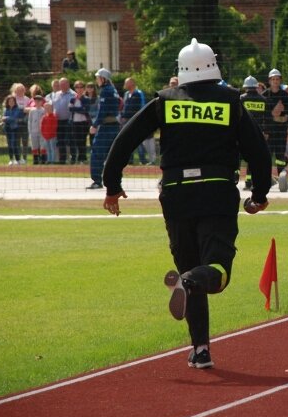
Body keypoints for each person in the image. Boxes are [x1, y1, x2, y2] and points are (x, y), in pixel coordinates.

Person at [101, 38, 272, 369]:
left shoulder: (164, 102)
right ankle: (190, 283)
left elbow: (124, 140)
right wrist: (260, 195)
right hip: (217, 192)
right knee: (217, 272)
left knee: (189, 267)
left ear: (181, 70)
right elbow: (258, 153)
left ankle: (200, 349)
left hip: (176, 194)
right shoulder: (231, 101)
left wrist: (112, 186)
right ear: (214, 65)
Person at [88, 68, 120, 189]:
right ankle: (115, 180)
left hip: (106, 127)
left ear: (103, 78)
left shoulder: (105, 91)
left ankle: (97, 180)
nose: (97, 80)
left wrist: (95, 125)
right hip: (115, 126)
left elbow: (102, 111)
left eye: (98, 78)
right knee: (113, 155)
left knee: (97, 153)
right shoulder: (114, 90)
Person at [262, 68, 288, 175]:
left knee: (280, 153)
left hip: (281, 128)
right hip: (269, 130)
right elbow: (262, 113)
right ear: (269, 81)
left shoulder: (285, 95)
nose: (275, 81)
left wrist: (283, 109)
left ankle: (281, 176)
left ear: (280, 81)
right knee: (267, 153)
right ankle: (266, 176)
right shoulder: (264, 95)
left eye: (277, 79)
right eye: (273, 79)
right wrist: (272, 114)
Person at [240, 75, 267, 189]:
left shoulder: (241, 99)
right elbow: (266, 118)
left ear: (246, 87)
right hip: (257, 132)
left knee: (239, 156)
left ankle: (235, 178)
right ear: (256, 87)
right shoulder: (263, 100)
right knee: (254, 158)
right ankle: (250, 182)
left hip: (242, 131)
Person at [47, 77, 76, 164]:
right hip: (58, 121)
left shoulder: (73, 94)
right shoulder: (56, 94)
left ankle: (73, 158)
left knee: (70, 140)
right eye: (61, 84)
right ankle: (62, 160)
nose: (62, 86)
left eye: (64, 84)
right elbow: (51, 106)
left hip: (69, 121)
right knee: (60, 141)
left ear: (68, 84)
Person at [69, 80, 91, 164]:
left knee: (83, 140)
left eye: (81, 87)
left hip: (84, 122)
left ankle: (83, 158)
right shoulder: (73, 99)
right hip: (75, 122)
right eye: (77, 87)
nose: (79, 89)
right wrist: (80, 109)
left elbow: (86, 110)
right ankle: (79, 158)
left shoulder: (86, 99)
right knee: (77, 141)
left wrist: (77, 108)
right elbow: (70, 109)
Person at [2, 95, 24, 165]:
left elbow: (14, 118)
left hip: (15, 129)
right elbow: (4, 119)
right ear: (7, 102)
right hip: (7, 129)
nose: (11, 102)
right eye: (9, 101)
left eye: (12, 101)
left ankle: (18, 160)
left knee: (14, 144)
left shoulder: (18, 109)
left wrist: (6, 118)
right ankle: (11, 159)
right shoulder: (6, 109)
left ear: (15, 102)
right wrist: (7, 119)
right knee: (9, 145)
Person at [27, 95, 47, 164]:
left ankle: (43, 159)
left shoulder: (44, 110)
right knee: (34, 145)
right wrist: (30, 131)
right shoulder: (32, 111)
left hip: (42, 131)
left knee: (42, 145)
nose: (37, 102)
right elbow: (30, 121)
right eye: (36, 101)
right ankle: (35, 159)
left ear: (42, 101)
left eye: (39, 101)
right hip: (34, 131)